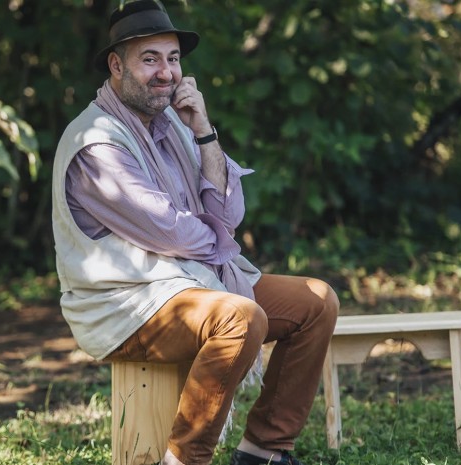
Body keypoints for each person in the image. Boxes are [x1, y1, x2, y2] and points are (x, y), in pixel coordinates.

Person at [51, 1, 339, 464]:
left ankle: (263, 450)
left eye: (173, 59)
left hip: (188, 281)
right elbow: (170, 231)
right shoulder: (96, 141)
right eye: (150, 59)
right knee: (239, 318)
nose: (165, 72)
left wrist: (203, 130)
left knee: (317, 301)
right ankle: (185, 458)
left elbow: (228, 211)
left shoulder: (175, 125)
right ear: (116, 66)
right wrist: (219, 239)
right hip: (125, 302)